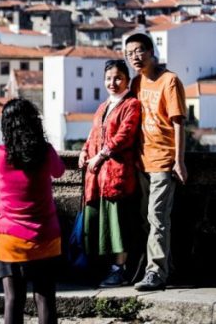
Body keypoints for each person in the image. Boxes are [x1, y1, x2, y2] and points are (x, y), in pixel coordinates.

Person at [0, 98, 66, 324]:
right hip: (46, 235)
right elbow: (59, 171)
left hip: (9, 237)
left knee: (13, 298)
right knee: (45, 298)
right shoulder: (46, 152)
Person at [124, 32, 186, 292]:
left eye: (139, 51)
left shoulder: (169, 81)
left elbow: (179, 121)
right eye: (129, 54)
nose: (135, 57)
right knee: (147, 219)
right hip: (141, 161)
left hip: (163, 160)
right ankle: (164, 266)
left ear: (151, 51)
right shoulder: (137, 83)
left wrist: (179, 160)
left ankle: (156, 272)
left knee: (157, 217)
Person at [78, 59, 142, 288]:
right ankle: (100, 268)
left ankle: (119, 270)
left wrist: (101, 155)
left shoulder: (131, 104)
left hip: (116, 175)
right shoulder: (104, 105)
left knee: (117, 226)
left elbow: (124, 136)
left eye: (117, 78)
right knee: (97, 224)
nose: (112, 82)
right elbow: (94, 132)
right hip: (96, 177)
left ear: (126, 80)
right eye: (108, 78)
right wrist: (85, 151)